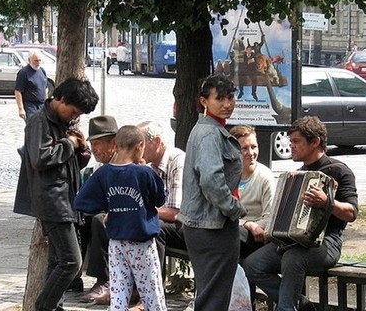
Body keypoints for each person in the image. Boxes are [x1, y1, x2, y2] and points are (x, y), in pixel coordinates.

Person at [243, 116, 358, 311]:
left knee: (293, 258)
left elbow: (352, 212)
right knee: (253, 264)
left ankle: (287, 308)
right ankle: (303, 305)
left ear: (315, 142)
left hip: (328, 242)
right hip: (293, 242)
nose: (291, 146)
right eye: (290, 142)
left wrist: (327, 202)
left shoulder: (339, 171)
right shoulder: (297, 174)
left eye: (296, 141)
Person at [20, 77, 99, 311]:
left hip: (67, 198)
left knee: (57, 261)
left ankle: (55, 307)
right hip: (52, 200)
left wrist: (82, 148)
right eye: (74, 110)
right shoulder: (39, 121)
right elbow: (40, 158)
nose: (74, 116)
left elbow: (72, 163)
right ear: (61, 99)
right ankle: (44, 306)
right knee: (71, 262)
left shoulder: (63, 123)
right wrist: (69, 144)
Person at [74, 125, 167, 311]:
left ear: (115, 144)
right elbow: (159, 198)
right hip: (141, 242)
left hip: (116, 243)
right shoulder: (144, 173)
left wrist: (109, 206)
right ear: (140, 146)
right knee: (152, 292)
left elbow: (81, 201)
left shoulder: (103, 173)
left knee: (118, 293)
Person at [177, 74, 247, 310]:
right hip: (212, 227)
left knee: (210, 293)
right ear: (204, 101)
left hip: (206, 225)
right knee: (214, 297)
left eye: (230, 97)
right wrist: (234, 208)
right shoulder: (209, 134)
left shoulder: (210, 130)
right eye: (220, 98)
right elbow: (212, 181)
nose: (227, 104)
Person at [137, 121, 187, 281]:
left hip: (188, 226)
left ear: (157, 142)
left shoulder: (178, 161)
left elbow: (174, 213)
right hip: (167, 220)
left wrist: (141, 211)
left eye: (141, 144)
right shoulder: (151, 167)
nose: (138, 149)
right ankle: (129, 287)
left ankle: (150, 294)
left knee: (154, 228)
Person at [80, 115, 119, 302]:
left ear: (113, 143)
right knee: (78, 218)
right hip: (108, 212)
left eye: (98, 144)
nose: (94, 149)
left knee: (99, 221)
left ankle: (104, 279)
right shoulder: (99, 167)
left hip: (126, 215)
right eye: (92, 144)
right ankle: (72, 275)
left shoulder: (125, 164)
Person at [228, 125, 275, 259]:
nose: (251, 153)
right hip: (232, 229)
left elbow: (269, 218)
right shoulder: (226, 175)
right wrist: (246, 224)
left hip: (255, 237)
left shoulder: (265, 177)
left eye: (254, 147)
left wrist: (251, 226)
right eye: (244, 148)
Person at [15, 50, 48, 121]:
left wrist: (47, 104)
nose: (38, 63)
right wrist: (21, 109)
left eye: (39, 60)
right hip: (30, 106)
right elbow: (18, 91)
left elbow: (45, 88)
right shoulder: (23, 72)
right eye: (36, 61)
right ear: (29, 60)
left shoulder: (42, 71)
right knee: (33, 127)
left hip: (41, 106)